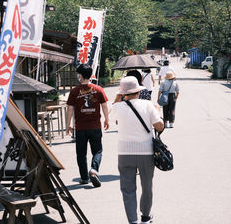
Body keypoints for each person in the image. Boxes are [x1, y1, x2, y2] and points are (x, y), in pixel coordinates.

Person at [111, 76, 164, 224]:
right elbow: (159, 126)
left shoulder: (117, 107)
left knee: (127, 189)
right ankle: (145, 217)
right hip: (145, 152)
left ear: (122, 93)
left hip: (124, 153)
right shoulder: (148, 105)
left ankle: (132, 221)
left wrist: (119, 94)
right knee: (147, 185)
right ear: (139, 91)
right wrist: (158, 112)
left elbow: (113, 107)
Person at [66, 64, 109, 187]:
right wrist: (107, 119)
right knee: (98, 151)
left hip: (80, 128)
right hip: (95, 126)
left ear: (80, 75)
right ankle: (94, 170)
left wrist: (68, 125)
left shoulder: (74, 91)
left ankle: (84, 178)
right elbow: (104, 105)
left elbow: (69, 109)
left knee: (81, 153)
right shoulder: (98, 89)